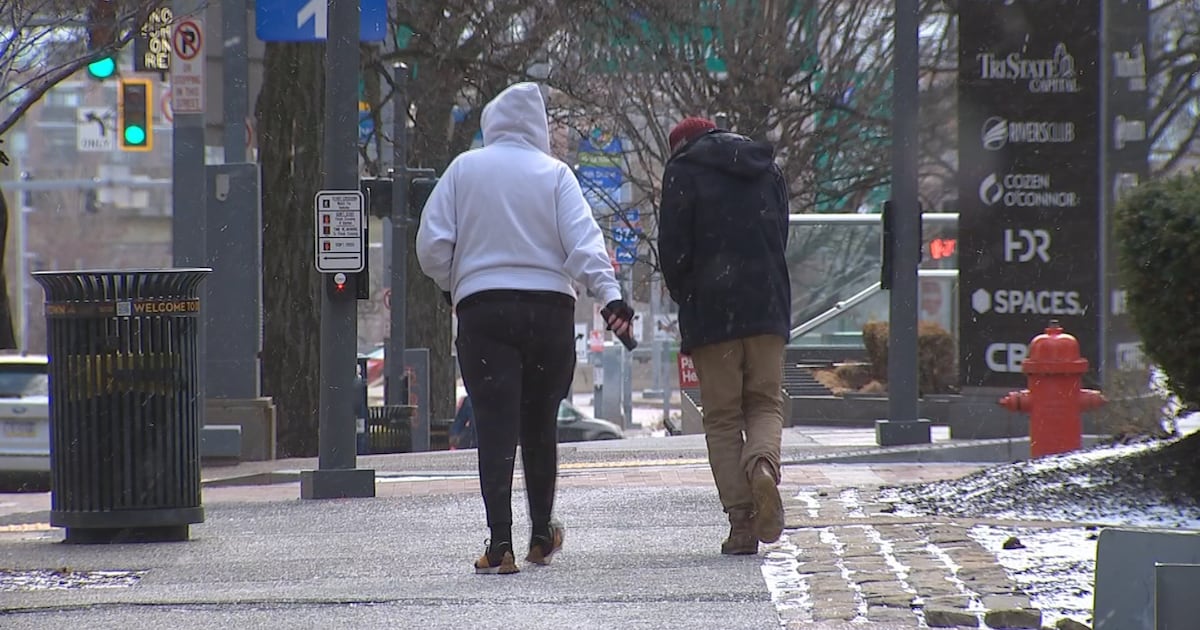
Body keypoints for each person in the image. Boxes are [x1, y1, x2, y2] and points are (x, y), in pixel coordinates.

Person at [415, 82, 635, 575]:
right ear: (536, 129)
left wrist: (457, 282)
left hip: (484, 310)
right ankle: (541, 534)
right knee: (539, 426)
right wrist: (610, 296)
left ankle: (500, 544)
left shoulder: (463, 170)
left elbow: (431, 246)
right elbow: (584, 244)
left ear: (491, 125)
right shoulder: (556, 175)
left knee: (494, 426)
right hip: (549, 311)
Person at [657, 116, 792, 556]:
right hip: (767, 306)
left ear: (680, 146)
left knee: (722, 417)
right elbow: (780, 235)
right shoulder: (765, 166)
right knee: (766, 403)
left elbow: (673, 252)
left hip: (713, 314)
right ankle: (763, 469)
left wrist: (688, 294)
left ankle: (742, 524)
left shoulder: (681, 172)